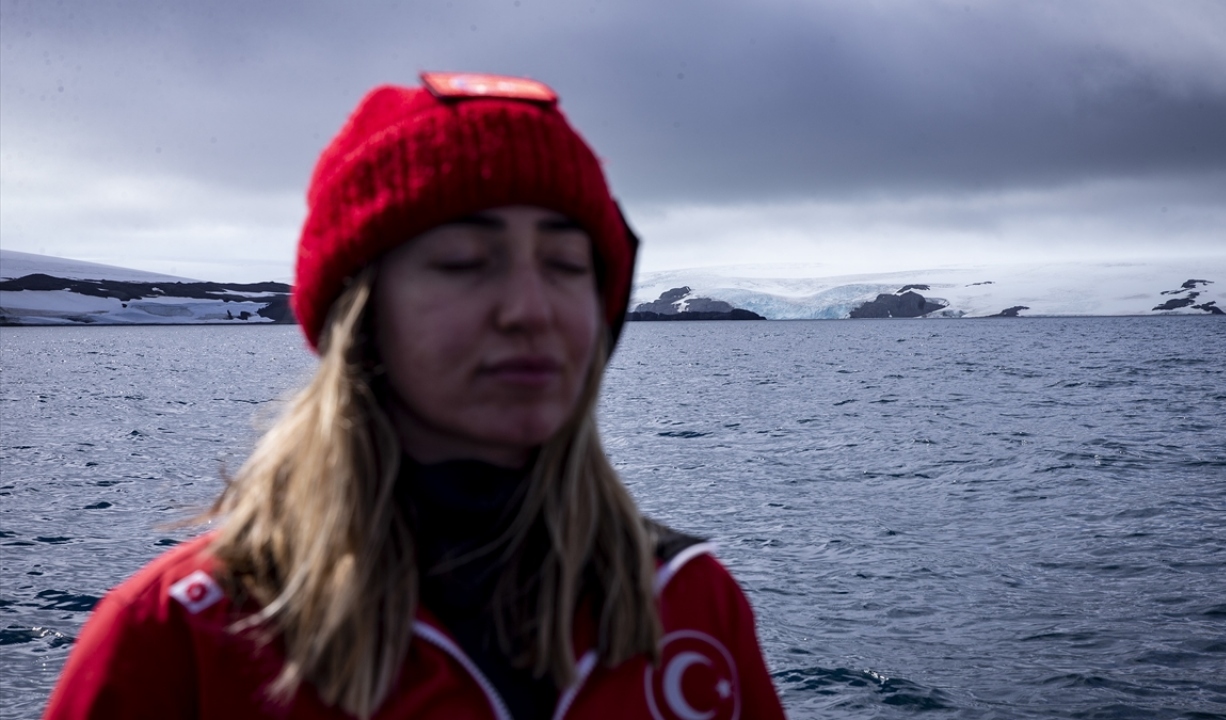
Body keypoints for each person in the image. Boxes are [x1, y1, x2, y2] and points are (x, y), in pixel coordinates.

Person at [44, 72, 787, 720]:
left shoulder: (691, 606)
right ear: (361, 317)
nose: (530, 309)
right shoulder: (181, 637)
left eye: (566, 263)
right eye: (464, 260)